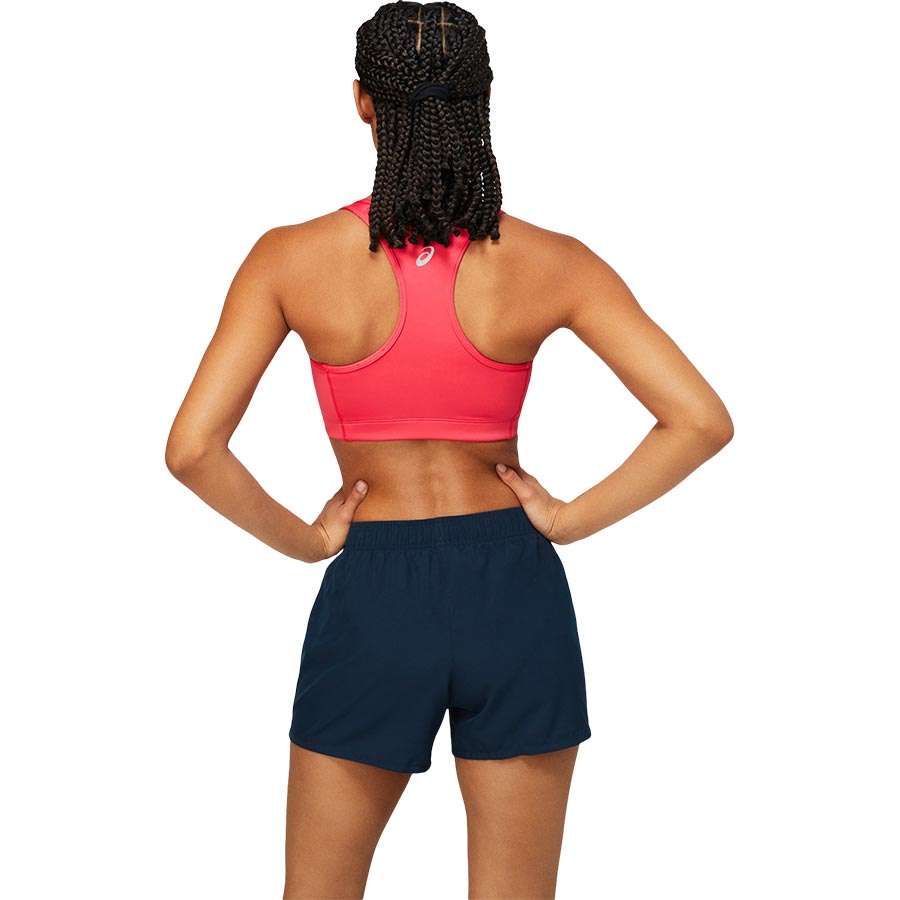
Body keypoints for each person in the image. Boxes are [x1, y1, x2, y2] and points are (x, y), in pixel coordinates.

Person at [165, 2, 733, 897]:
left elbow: (194, 449)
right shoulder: (553, 262)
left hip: (374, 595)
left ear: (363, 101)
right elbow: (699, 419)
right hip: (514, 589)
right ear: (484, 98)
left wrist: (307, 540)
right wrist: (567, 519)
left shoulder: (289, 259)